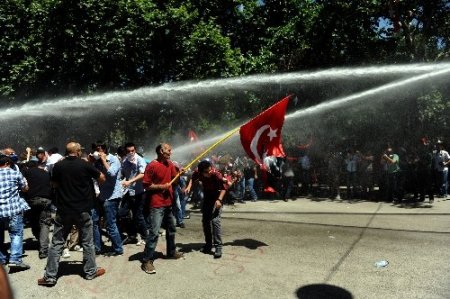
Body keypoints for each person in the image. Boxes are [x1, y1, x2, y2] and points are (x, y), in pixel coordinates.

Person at [38, 142, 106, 286]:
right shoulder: (84, 164)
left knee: (57, 243)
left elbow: (54, 184)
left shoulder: (58, 166)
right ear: (77, 151)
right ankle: (90, 272)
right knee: (88, 242)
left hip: (64, 209)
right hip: (83, 209)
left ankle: (50, 276)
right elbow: (102, 178)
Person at [141, 143, 184, 275]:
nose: (171, 152)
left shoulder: (170, 164)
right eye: (168, 150)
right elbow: (146, 186)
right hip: (156, 204)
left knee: (171, 229)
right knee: (154, 232)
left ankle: (171, 252)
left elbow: (174, 182)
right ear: (161, 151)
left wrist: (179, 175)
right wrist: (161, 187)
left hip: (168, 203)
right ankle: (147, 260)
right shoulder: (152, 165)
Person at [91, 141, 124, 256]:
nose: (98, 151)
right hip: (101, 195)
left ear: (105, 149)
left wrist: (104, 160)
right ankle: (97, 247)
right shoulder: (96, 162)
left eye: (100, 149)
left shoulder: (113, 159)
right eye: (96, 149)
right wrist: (91, 163)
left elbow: (112, 173)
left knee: (110, 224)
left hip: (112, 196)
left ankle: (118, 249)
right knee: (94, 221)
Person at [191, 160, 227, 259]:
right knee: (205, 221)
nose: (209, 172)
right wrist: (189, 187)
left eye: (210, 170)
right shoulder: (198, 173)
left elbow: (224, 188)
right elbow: (192, 178)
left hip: (218, 196)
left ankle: (218, 246)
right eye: (207, 172)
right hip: (207, 197)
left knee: (215, 221)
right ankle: (208, 244)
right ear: (201, 172)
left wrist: (219, 200)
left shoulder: (216, 174)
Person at [0, 154, 30, 271]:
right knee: (16, 234)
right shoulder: (15, 173)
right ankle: (15, 260)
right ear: (7, 163)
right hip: (13, 209)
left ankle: (2, 258)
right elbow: (25, 188)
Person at [21, 160, 53, 259]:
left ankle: (40, 240)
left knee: (34, 222)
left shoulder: (26, 172)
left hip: (32, 200)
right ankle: (43, 250)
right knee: (44, 224)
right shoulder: (46, 173)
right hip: (46, 200)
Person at [121, 142, 148, 245]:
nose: (131, 153)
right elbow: (123, 173)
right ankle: (132, 234)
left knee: (138, 215)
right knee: (122, 213)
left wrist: (130, 181)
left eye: (132, 151)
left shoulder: (140, 160)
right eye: (128, 151)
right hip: (128, 192)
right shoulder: (125, 161)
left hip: (139, 192)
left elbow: (142, 174)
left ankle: (145, 236)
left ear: (135, 150)